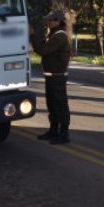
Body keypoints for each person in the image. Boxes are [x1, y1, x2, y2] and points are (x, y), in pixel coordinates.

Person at [31, 9, 72, 145]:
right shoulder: (53, 35)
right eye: (48, 20)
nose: (48, 22)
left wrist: (32, 36)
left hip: (58, 76)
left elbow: (43, 50)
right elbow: (41, 46)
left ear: (59, 21)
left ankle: (64, 133)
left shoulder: (59, 36)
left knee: (60, 105)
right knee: (52, 104)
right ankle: (53, 130)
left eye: (51, 20)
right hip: (51, 76)